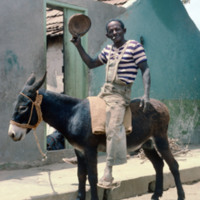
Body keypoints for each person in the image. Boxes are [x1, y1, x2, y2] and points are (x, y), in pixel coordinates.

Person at [71, 19, 151, 187]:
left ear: (124, 29)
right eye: (111, 31)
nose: (115, 33)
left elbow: (145, 69)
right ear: (107, 35)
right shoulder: (108, 49)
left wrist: (146, 94)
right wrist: (78, 46)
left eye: (117, 29)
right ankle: (83, 152)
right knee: (85, 114)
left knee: (114, 128)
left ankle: (108, 171)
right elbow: (91, 63)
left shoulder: (134, 46)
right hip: (105, 91)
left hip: (120, 95)